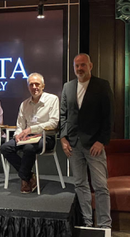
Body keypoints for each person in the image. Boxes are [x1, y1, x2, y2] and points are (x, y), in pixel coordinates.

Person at [60, 53, 113, 229]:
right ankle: (88, 224)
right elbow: (63, 115)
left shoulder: (102, 85)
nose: (79, 69)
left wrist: (102, 141)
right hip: (73, 145)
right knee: (80, 185)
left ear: (90, 65)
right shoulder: (68, 87)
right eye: (76, 66)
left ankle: (105, 225)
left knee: (100, 186)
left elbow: (109, 116)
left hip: (94, 146)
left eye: (83, 65)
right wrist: (63, 138)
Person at [0, 73, 59, 193]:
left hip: (46, 137)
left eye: (37, 84)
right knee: (5, 148)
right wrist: (17, 135)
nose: (34, 87)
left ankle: (24, 178)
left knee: (28, 147)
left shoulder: (52, 99)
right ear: (28, 87)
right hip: (27, 138)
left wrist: (31, 130)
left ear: (43, 86)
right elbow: (20, 125)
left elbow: (53, 123)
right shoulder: (24, 104)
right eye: (31, 84)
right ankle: (28, 176)